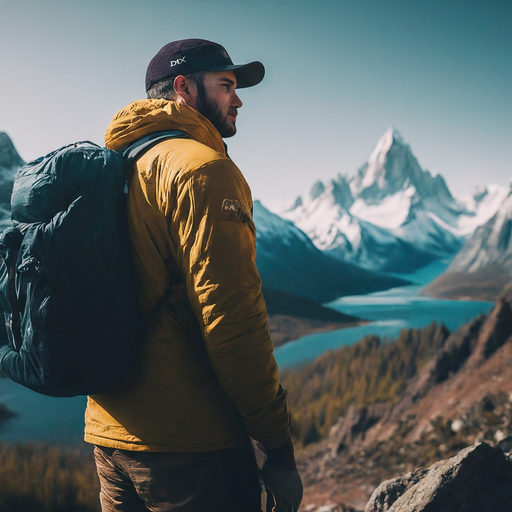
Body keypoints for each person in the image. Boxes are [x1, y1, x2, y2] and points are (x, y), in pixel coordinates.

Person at [84, 38, 303, 512]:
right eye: (226, 85)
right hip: (189, 447)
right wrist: (278, 449)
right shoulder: (203, 170)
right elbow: (233, 322)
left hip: (108, 436)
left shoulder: (116, 167)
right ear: (183, 88)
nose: (238, 99)